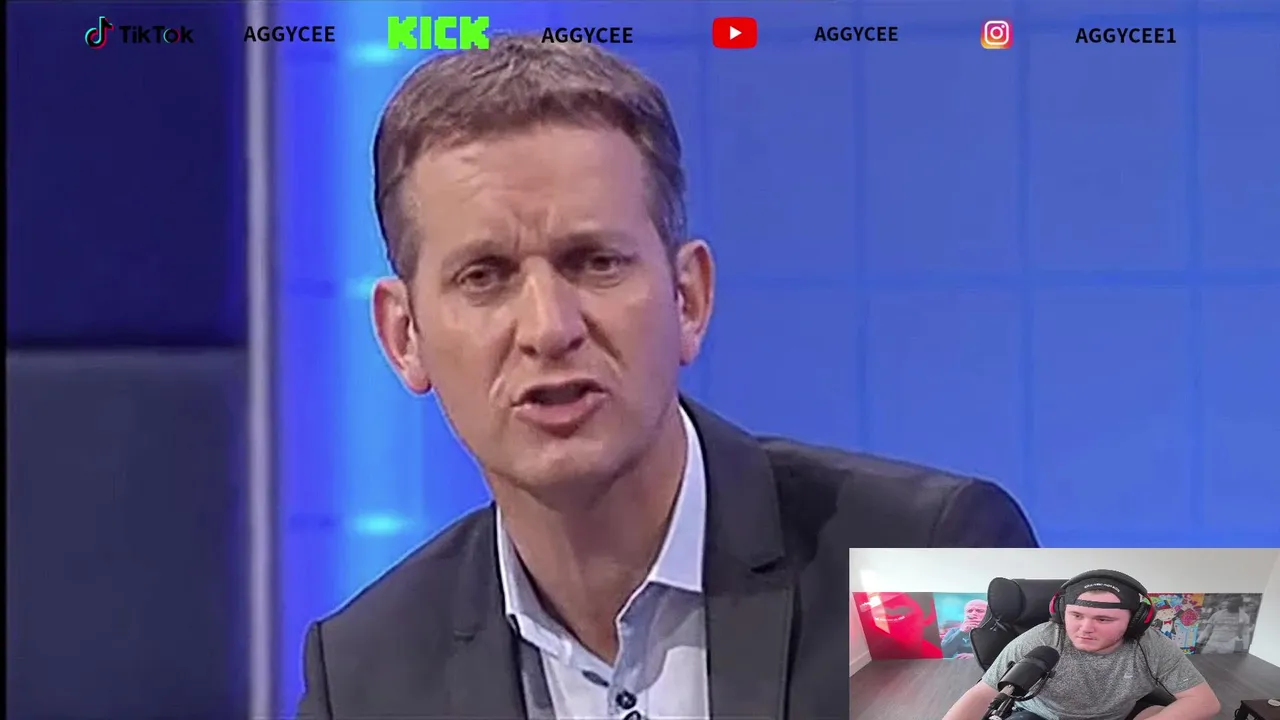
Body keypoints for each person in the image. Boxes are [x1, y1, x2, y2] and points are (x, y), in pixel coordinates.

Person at [294, 34, 1038, 720]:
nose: (549, 327)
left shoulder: (922, 563)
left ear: (689, 299)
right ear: (404, 336)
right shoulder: (368, 675)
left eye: (596, 262)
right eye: (484, 276)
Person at [940, 571, 1220, 720]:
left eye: (1103, 619)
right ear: (1061, 612)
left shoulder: (1151, 646)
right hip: (1043, 716)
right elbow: (982, 694)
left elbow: (1204, 702)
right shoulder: (1039, 639)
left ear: (1135, 621)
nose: (1085, 628)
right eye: (1076, 615)